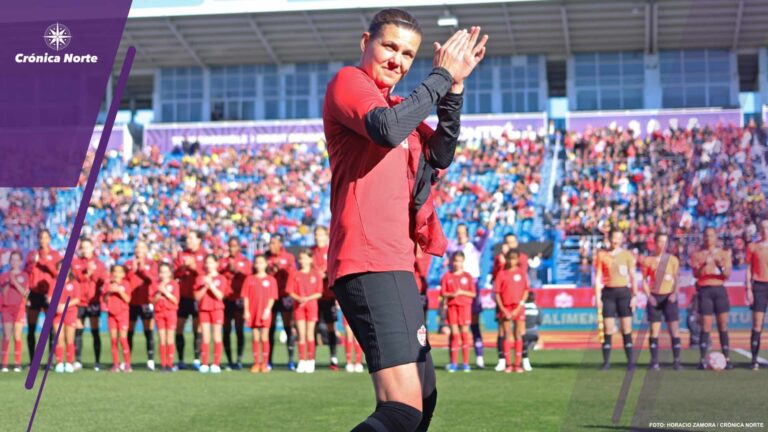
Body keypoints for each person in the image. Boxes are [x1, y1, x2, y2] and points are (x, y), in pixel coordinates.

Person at [324, 8, 487, 430]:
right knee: (401, 409)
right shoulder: (350, 83)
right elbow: (386, 129)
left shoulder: (399, 105)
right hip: (368, 258)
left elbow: (440, 155)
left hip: (396, 263)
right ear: (366, 43)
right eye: (389, 47)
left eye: (408, 54)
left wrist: (453, 88)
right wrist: (437, 78)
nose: (397, 60)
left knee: (422, 405)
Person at [690, 227, 733, 370]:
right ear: (703, 237)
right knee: (706, 326)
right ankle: (702, 359)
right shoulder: (697, 254)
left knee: (723, 326)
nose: (709, 239)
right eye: (706, 236)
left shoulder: (724, 253)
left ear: (716, 237)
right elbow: (696, 274)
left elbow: (727, 275)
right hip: (705, 290)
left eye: (711, 236)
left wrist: (720, 267)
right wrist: (704, 264)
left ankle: (727, 358)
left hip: (719, 289)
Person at [594, 229, 637, 370]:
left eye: (619, 238)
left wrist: (635, 296)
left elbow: (633, 276)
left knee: (626, 328)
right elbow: (597, 277)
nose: (616, 241)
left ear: (622, 239)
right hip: (608, 294)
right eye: (614, 238)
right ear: (609, 238)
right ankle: (606, 362)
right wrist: (597, 297)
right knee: (608, 328)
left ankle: (630, 362)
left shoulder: (627, 255)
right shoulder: (602, 255)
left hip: (624, 293)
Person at [641, 232, 682, 370]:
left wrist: (674, 293)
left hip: (669, 297)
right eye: (660, 241)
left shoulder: (673, 260)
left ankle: (676, 361)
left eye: (665, 242)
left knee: (674, 330)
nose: (662, 245)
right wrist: (649, 296)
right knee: (654, 331)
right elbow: (644, 281)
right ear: (655, 243)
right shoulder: (648, 260)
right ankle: (654, 362)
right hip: (655, 297)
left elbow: (677, 279)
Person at [493, 234, 528, 372]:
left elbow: (525, 288)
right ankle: (505, 362)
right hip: (505, 305)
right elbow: (496, 286)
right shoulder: (500, 267)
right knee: (504, 332)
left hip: (518, 305)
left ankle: (520, 361)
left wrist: (520, 305)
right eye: (508, 242)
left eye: (512, 242)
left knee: (519, 332)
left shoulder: (522, 262)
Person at [71, 236, 108, 371]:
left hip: (93, 302)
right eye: (83, 247)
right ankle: (78, 360)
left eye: (87, 247)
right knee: (78, 332)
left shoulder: (99, 263)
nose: (85, 250)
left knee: (95, 332)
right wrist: (87, 274)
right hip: (79, 302)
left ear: (92, 248)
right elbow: (74, 280)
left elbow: (104, 281)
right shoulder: (75, 263)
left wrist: (94, 274)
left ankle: (97, 361)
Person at [25, 229, 61, 363]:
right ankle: (32, 361)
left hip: (49, 294)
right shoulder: (32, 254)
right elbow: (26, 273)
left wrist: (45, 262)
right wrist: (33, 263)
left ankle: (50, 362)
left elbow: (59, 274)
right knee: (31, 328)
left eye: (45, 237)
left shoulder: (55, 255)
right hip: (34, 294)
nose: (43, 240)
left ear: (49, 239)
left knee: (51, 328)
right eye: (41, 237)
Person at [174, 230, 207, 370]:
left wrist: (194, 267)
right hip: (182, 296)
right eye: (187, 238)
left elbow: (207, 273)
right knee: (179, 328)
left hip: (197, 297)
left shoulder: (204, 255)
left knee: (197, 328)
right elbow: (174, 273)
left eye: (191, 237)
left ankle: (196, 359)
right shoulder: (181, 255)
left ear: (199, 240)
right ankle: (180, 359)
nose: (188, 240)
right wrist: (183, 268)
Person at [286, 249, 323, 373]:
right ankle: (302, 360)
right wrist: (298, 298)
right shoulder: (294, 274)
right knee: (301, 335)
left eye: (305, 258)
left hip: (312, 306)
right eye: (301, 258)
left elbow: (319, 293)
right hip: (298, 307)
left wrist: (307, 298)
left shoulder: (316, 274)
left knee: (310, 334)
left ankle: (311, 360)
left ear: (310, 259)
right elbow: (290, 291)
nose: (302, 261)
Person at [439, 251, 475, 372]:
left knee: (464, 334)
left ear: (463, 261)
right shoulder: (447, 276)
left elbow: (473, 293)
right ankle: (453, 363)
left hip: (465, 307)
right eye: (455, 261)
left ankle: (465, 363)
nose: (457, 263)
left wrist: (462, 292)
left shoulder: (468, 276)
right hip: (452, 307)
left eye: (459, 261)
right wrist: (452, 294)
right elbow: (443, 293)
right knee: (455, 334)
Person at [219, 237, 251, 370]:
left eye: (234, 246)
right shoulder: (222, 262)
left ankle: (239, 360)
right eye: (230, 246)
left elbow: (249, 277)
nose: (232, 249)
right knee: (226, 330)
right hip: (225, 299)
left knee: (239, 330)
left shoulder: (245, 261)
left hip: (238, 299)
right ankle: (229, 360)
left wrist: (237, 270)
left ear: (239, 247)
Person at [266, 234, 297, 370]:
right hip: (270, 297)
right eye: (270, 243)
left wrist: (283, 270)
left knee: (288, 328)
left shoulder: (288, 257)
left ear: (280, 244)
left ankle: (290, 360)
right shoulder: (266, 257)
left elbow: (294, 274)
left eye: (273, 243)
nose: (271, 246)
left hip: (284, 296)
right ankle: (268, 361)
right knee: (270, 329)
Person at [242, 254, 278, 373]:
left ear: (266, 264)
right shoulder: (249, 279)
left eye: (261, 262)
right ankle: (256, 363)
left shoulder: (271, 280)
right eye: (257, 263)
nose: (259, 265)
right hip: (253, 311)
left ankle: (265, 363)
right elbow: (246, 296)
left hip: (265, 312)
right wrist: (246, 311)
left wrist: (268, 310)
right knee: (255, 337)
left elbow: (272, 297)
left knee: (264, 337)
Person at [126, 240, 158, 371]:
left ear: (146, 250)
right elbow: (124, 279)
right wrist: (132, 270)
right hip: (131, 302)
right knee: (129, 332)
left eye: (142, 247)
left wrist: (142, 269)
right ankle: (128, 360)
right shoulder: (128, 264)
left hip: (146, 302)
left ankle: (150, 360)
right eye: (137, 247)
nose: (139, 250)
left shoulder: (152, 264)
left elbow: (152, 279)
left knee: (148, 331)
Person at [312, 225, 339, 370]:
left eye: (320, 234)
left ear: (326, 235)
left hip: (328, 295)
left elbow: (336, 268)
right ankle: (310, 359)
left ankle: (333, 358)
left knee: (330, 327)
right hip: (313, 297)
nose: (318, 237)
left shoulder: (331, 249)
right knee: (313, 328)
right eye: (316, 234)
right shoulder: (311, 252)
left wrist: (326, 274)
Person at [0, 251, 28, 372]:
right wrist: (7, 284)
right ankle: (4, 364)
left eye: (17, 260)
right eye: (12, 259)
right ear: (10, 261)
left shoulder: (24, 275)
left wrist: (14, 281)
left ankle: (17, 364)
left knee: (17, 335)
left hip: (19, 308)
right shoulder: (4, 275)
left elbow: (25, 293)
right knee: (6, 335)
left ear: (20, 261)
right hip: (7, 308)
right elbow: (3, 293)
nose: (14, 262)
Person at [746, 219, 768, 370]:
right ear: (759, 230)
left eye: (767, 228)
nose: (765, 230)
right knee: (757, 324)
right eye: (763, 228)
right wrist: (748, 288)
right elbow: (748, 268)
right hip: (759, 286)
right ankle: (754, 359)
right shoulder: (753, 247)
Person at [105, 264, 133, 373]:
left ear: (123, 274)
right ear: (112, 273)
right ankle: (115, 364)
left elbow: (128, 299)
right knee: (113, 340)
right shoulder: (108, 284)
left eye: (119, 272)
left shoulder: (126, 284)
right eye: (115, 271)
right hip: (111, 315)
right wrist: (110, 291)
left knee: (123, 339)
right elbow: (105, 299)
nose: (117, 274)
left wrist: (119, 291)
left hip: (123, 314)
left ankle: (127, 364)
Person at [153, 262, 180, 372]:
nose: (163, 274)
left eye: (165, 272)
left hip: (170, 313)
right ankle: (163, 364)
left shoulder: (174, 284)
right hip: (159, 313)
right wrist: (158, 295)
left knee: (170, 339)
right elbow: (153, 301)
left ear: (170, 273)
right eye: (161, 272)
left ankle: (170, 364)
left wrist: (165, 292)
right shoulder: (156, 284)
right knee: (162, 339)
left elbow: (176, 300)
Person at [52, 269, 80, 373]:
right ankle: (59, 363)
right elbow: (50, 297)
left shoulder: (74, 283)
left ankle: (69, 363)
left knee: (70, 339)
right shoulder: (54, 282)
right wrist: (56, 305)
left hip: (71, 313)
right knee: (59, 338)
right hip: (57, 314)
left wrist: (65, 305)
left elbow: (77, 299)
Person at [521, 290, 541, 372]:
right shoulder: (537, 308)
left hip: (523, 332)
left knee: (522, 342)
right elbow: (539, 322)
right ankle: (532, 346)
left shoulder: (522, 308)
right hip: (534, 333)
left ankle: (524, 358)